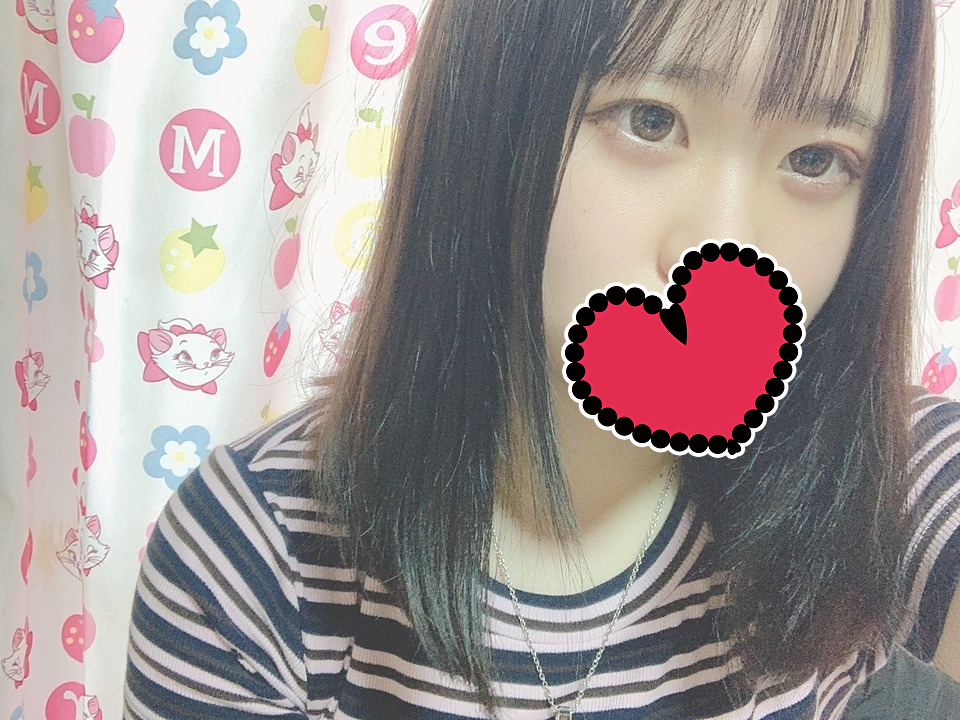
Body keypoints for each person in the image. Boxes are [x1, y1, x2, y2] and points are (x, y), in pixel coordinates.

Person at [123, 0, 960, 718]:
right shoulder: (256, 556)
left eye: (816, 159)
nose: (725, 244)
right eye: (650, 119)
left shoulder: (880, 473)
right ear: (484, 118)